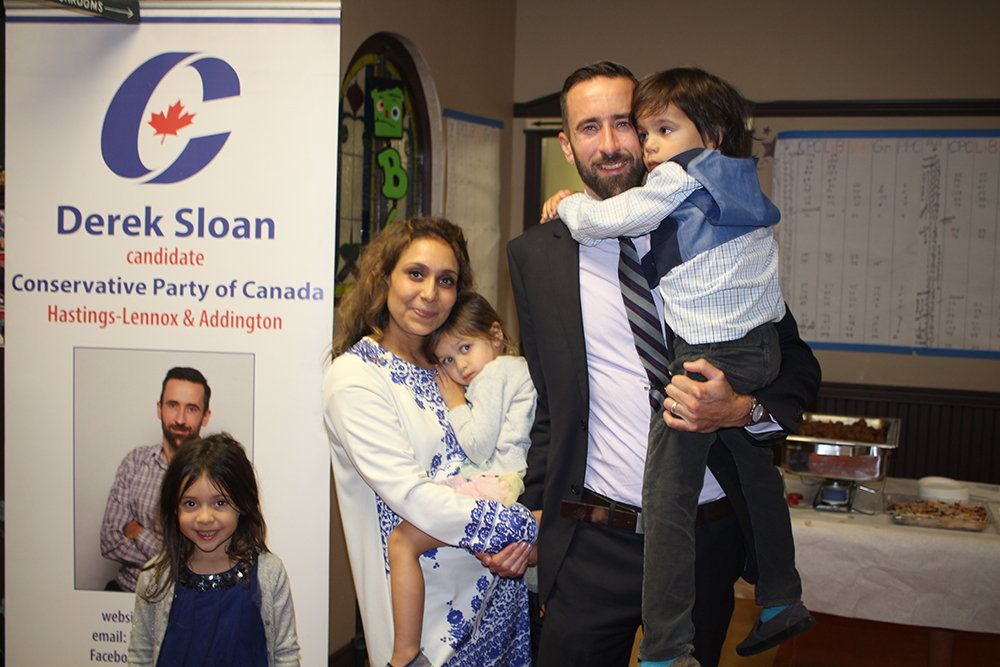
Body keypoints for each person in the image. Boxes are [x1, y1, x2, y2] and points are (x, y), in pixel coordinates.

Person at [504, 61, 821, 667]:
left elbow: (795, 362)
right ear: (567, 144)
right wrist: (531, 515)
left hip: (706, 540)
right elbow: (553, 403)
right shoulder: (534, 257)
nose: (613, 144)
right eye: (588, 128)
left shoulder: (716, 225)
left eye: (625, 123)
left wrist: (742, 410)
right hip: (591, 541)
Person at [323, 217, 538, 667]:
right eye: (415, 274)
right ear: (384, 279)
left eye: (446, 281)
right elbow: (410, 496)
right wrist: (530, 527)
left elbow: (514, 450)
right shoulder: (356, 376)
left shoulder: (457, 365)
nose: (430, 293)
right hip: (428, 634)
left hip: (500, 598)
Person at [386, 292, 537, 667]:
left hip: (496, 484)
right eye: (448, 360)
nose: (461, 367)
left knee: (403, 540)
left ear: (496, 334)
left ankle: (404, 654)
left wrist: (454, 401)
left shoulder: (492, 376)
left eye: (466, 348)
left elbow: (476, 445)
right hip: (508, 483)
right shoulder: (517, 367)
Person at [127, 433, 300, 666]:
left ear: (244, 504)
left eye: (220, 503)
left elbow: (285, 654)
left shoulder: (269, 574)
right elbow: (141, 655)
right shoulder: (154, 577)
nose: (205, 517)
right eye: (190, 503)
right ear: (173, 509)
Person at [101, 366, 212, 592]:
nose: (180, 419)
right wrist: (170, 559)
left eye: (191, 409)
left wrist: (138, 533)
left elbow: (196, 563)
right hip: (128, 597)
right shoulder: (134, 462)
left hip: (188, 603)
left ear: (205, 416)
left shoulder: (215, 473)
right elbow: (109, 541)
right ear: (160, 409)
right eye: (173, 405)